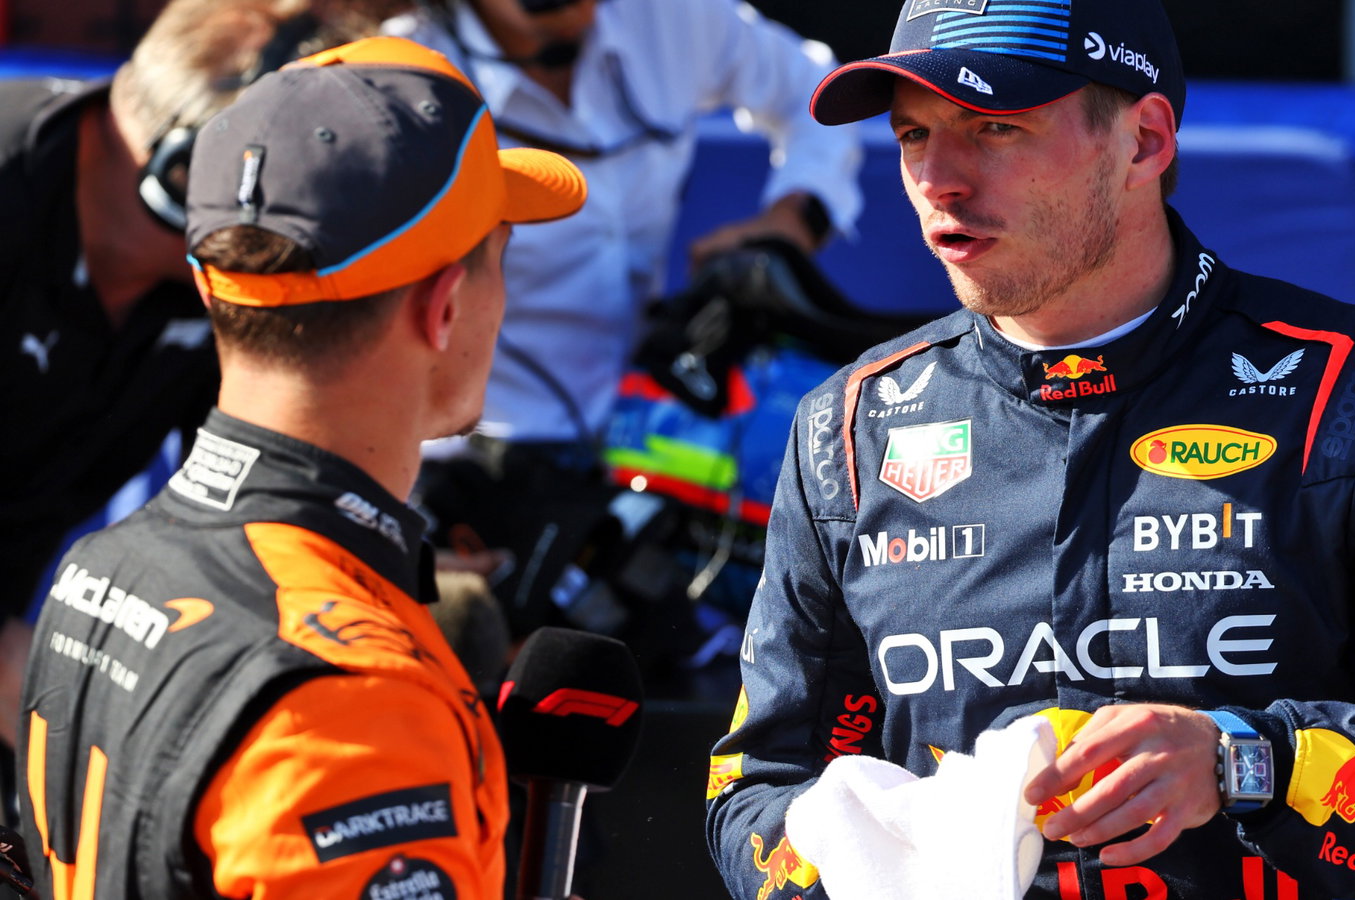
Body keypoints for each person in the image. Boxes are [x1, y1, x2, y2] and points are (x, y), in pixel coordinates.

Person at [705, 1, 1355, 898]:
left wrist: (1249, 763)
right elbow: (752, 792)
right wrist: (862, 860)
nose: (938, 177)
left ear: (1145, 141)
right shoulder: (852, 425)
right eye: (912, 135)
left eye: (995, 128)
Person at [14, 34, 585, 898]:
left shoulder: (97, 571)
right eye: (499, 255)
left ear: (208, 284)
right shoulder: (357, 706)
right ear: (445, 306)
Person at [0, 0, 392, 816]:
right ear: (189, 177)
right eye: (292, 198)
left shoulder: (225, 275)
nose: (307, 235)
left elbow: (256, 499)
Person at [381, 0, 864, 630]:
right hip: (456, 477)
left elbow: (818, 97)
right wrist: (388, 526)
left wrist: (792, 220)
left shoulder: (671, 17)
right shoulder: (395, 79)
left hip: (639, 460)